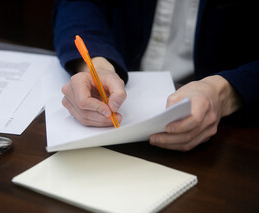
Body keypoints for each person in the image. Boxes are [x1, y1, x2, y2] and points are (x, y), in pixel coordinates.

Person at [52, 0, 259, 151]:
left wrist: (225, 92)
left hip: (231, 131)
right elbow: (77, 4)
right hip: (123, 76)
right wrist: (97, 64)